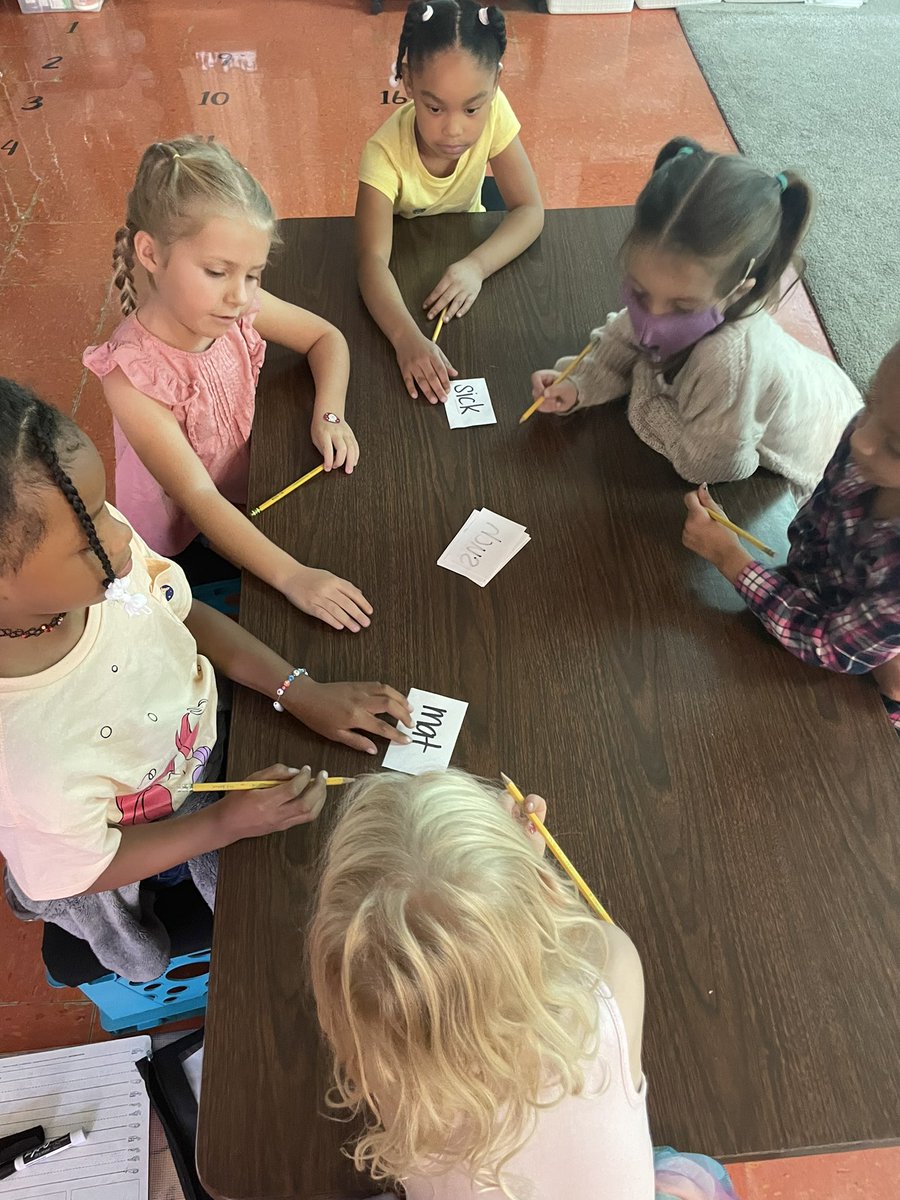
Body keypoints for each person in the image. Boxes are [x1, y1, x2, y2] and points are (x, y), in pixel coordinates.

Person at [0, 379, 412, 978]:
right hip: (121, 839)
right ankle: (46, 889)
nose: (120, 538)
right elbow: (91, 865)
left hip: (193, 756)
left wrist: (298, 691)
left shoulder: (101, 556)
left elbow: (181, 612)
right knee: (265, 936)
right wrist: (224, 824)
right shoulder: (23, 756)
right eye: (88, 537)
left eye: (100, 507)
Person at [309, 769, 656, 1199]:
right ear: (545, 892)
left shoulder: (387, 1062)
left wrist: (518, 877)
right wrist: (531, 869)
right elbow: (580, 943)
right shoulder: (615, 969)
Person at [84, 137, 370, 633]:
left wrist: (330, 413)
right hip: (182, 533)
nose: (239, 296)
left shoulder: (236, 308)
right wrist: (294, 576)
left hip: (247, 486)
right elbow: (198, 497)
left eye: (253, 275)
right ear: (150, 253)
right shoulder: (132, 376)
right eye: (217, 272)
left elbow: (326, 337)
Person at [531, 137, 860, 504]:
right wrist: (581, 383)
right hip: (802, 387)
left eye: (682, 308)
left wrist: (641, 385)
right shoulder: (677, 288)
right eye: (639, 293)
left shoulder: (725, 362)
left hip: (827, 460)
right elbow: (624, 335)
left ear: (737, 291)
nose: (650, 319)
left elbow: (706, 465)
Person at [682, 338, 900, 733]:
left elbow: (830, 644)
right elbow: (809, 529)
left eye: (897, 446)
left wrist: (730, 558)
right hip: (831, 618)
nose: (861, 439)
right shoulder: (867, 440)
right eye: (871, 401)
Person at [356, 0, 544, 405]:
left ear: (495, 83)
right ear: (406, 82)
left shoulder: (496, 113)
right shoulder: (383, 156)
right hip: (404, 283)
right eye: (434, 107)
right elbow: (371, 262)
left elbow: (530, 210)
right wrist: (406, 338)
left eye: (473, 108)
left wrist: (476, 267)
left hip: (469, 264)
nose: (455, 129)